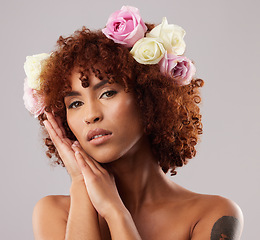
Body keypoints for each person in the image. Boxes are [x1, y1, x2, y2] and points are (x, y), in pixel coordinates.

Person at [23, 6, 243, 240]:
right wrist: (80, 187)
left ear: (149, 97)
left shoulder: (212, 214)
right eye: (75, 104)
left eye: (107, 93)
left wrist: (116, 213)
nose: (91, 115)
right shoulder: (55, 213)